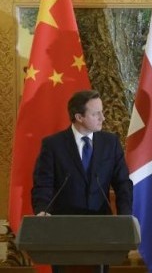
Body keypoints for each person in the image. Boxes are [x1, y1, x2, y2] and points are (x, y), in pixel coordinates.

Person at [31, 90, 133, 273]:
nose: (103, 117)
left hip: (101, 228)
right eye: (96, 114)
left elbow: (123, 183)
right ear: (79, 117)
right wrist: (41, 211)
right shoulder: (53, 145)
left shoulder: (111, 143)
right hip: (64, 229)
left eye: (102, 111)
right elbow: (43, 183)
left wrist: (125, 216)